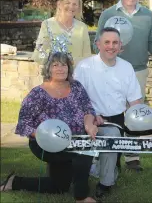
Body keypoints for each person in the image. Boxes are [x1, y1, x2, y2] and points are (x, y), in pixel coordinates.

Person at [0, 52, 98, 203]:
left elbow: (88, 110)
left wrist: (89, 124)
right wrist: (43, 136)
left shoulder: (77, 87)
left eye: (64, 64)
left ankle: (15, 182)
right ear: (48, 69)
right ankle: (81, 196)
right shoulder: (37, 93)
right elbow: (23, 124)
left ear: (69, 68)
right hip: (45, 144)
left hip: (74, 139)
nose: (60, 68)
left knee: (59, 187)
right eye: (55, 65)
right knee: (84, 152)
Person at [94, 0, 152, 171]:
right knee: (110, 112)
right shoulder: (107, 14)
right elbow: (97, 43)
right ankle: (106, 154)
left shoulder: (147, 14)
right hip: (111, 71)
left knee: (134, 114)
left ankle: (132, 156)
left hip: (138, 71)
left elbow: (151, 42)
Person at [74, 27, 142, 198]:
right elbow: (74, 99)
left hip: (116, 120)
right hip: (87, 118)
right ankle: (98, 180)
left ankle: (104, 178)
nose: (111, 46)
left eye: (115, 43)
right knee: (102, 148)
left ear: (120, 46)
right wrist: (89, 118)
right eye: (107, 42)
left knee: (111, 148)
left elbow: (134, 101)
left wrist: (138, 122)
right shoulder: (84, 67)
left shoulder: (126, 67)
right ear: (98, 44)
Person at [32, 0, 92, 66]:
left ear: (78, 7)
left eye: (74, 4)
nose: (71, 7)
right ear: (59, 4)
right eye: (67, 3)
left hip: (76, 76)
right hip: (54, 75)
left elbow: (87, 58)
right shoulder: (47, 25)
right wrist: (56, 59)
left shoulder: (82, 27)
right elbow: (38, 55)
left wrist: (71, 61)